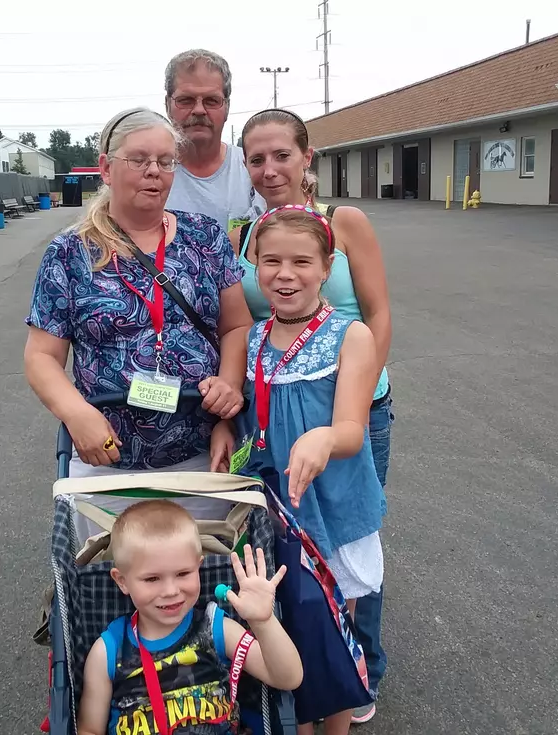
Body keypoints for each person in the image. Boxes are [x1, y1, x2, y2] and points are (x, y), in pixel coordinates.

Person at [231, 109, 392, 723]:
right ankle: (297, 687)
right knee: (288, 588)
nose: (270, 168)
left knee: (344, 575)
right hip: (272, 460)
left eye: (281, 155)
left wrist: (348, 398)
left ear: (307, 157)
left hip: (345, 407)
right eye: (256, 158)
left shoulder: (344, 224)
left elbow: (377, 316)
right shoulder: (243, 235)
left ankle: (354, 682)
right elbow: (243, 356)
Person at [25, 108, 252, 488]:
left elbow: (236, 325)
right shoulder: (70, 252)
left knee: (203, 549)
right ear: (106, 168)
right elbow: (41, 355)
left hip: (202, 456)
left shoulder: (206, 237)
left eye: (166, 161)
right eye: (139, 159)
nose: (154, 171)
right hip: (105, 458)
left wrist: (228, 396)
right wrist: (76, 414)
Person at [77, 500, 303, 735]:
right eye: (152, 579)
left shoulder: (216, 628)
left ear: (199, 567)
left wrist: (263, 622)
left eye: (183, 573)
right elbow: (90, 729)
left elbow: (288, 678)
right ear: (122, 580)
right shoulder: (109, 651)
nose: (171, 590)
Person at [164, 49, 266, 232]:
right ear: (167, 105)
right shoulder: (149, 175)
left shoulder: (255, 171)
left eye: (211, 100)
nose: (199, 110)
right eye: (186, 100)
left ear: (227, 107)